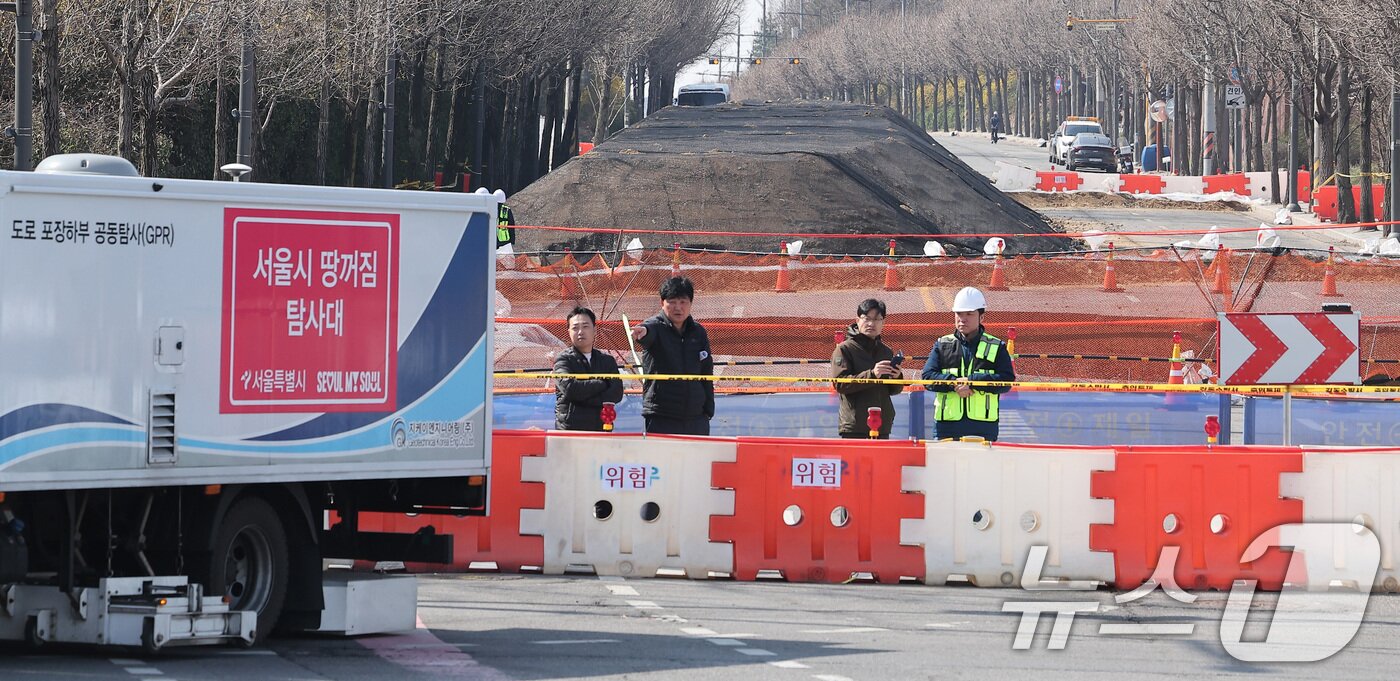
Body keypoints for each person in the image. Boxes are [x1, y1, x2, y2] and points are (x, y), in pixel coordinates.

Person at [921, 287, 1016, 441]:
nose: (962, 319)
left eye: (969, 314)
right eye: (958, 313)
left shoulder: (997, 346)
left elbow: (1006, 381)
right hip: (946, 426)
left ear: (981, 317)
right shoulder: (942, 344)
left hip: (984, 428)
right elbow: (927, 377)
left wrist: (972, 382)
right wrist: (954, 383)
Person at [629, 276, 714, 435]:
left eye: (683, 302)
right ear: (662, 303)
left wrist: (708, 409)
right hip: (661, 417)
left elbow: (706, 372)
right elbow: (648, 331)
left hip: (696, 418)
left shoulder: (699, 332)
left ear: (690, 304)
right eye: (672, 302)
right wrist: (643, 332)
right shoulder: (654, 326)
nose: (678, 308)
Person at [832, 299, 905, 439]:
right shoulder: (844, 349)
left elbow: (893, 391)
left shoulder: (886, 351)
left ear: (883, 322)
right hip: (855, 426)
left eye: (877, 319)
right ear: (858, 320)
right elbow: (840, 383)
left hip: (882, 424)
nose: (871, 324)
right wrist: (872, 374)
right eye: (867, 318)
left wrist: (896, 378)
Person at [553, 307, 624, 431]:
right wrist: (602, 384)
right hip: (570, 429)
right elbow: (571, 389)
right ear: (568, 331)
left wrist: (582, 398)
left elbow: (616, 393)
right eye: (575, 328)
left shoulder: (607, 361)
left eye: (585, 326)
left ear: (594, 330)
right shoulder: (563, 360)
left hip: (602, 427)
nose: (580, 332)